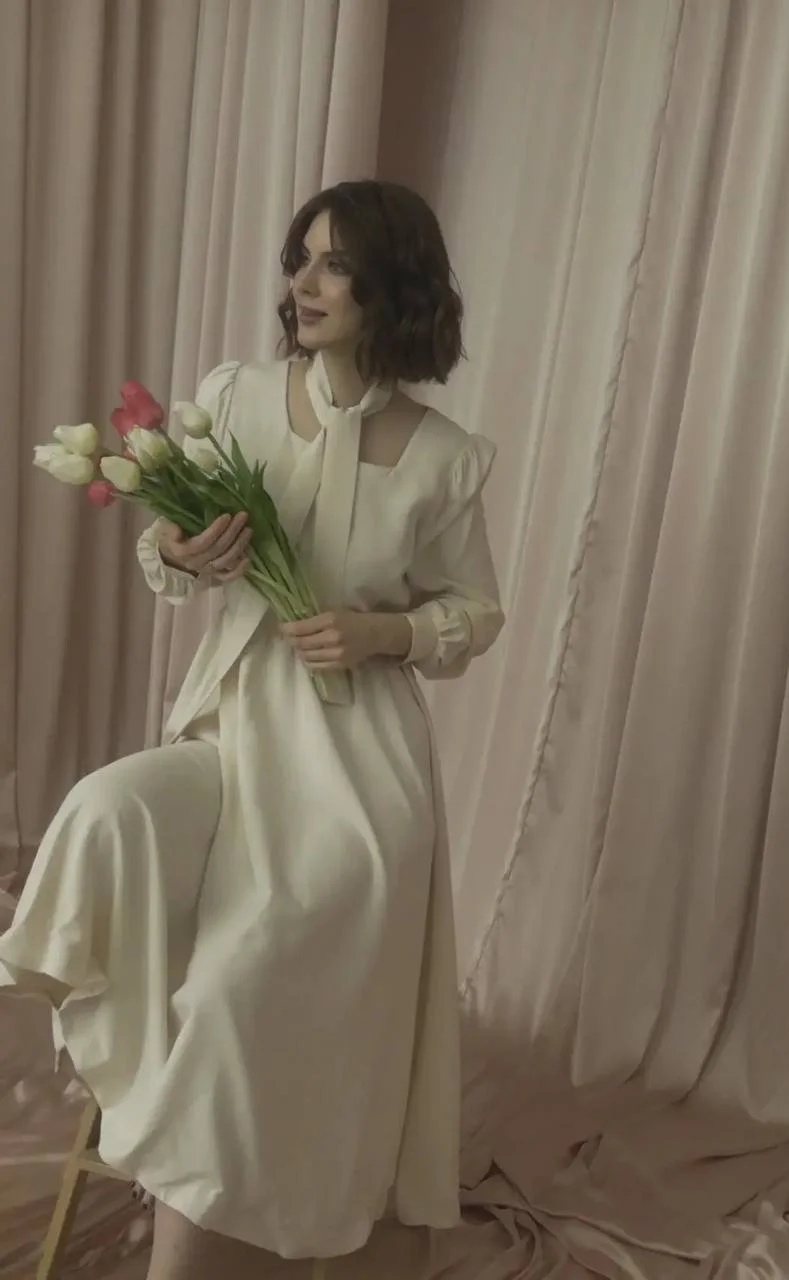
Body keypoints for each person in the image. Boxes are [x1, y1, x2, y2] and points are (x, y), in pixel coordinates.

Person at [0, 180, 504, 1280]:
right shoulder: (236, 398)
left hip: (359, 767)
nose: (303, 284)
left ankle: (200, 1235)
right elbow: (168, 556)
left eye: (335, 265)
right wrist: (182, 553)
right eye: (300, 259)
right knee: (106, 807)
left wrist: (381, 631)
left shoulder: (445, 456)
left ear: (391, 287)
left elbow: (475, 612)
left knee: (252, 966)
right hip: (231, 729)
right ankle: (115, 1054)